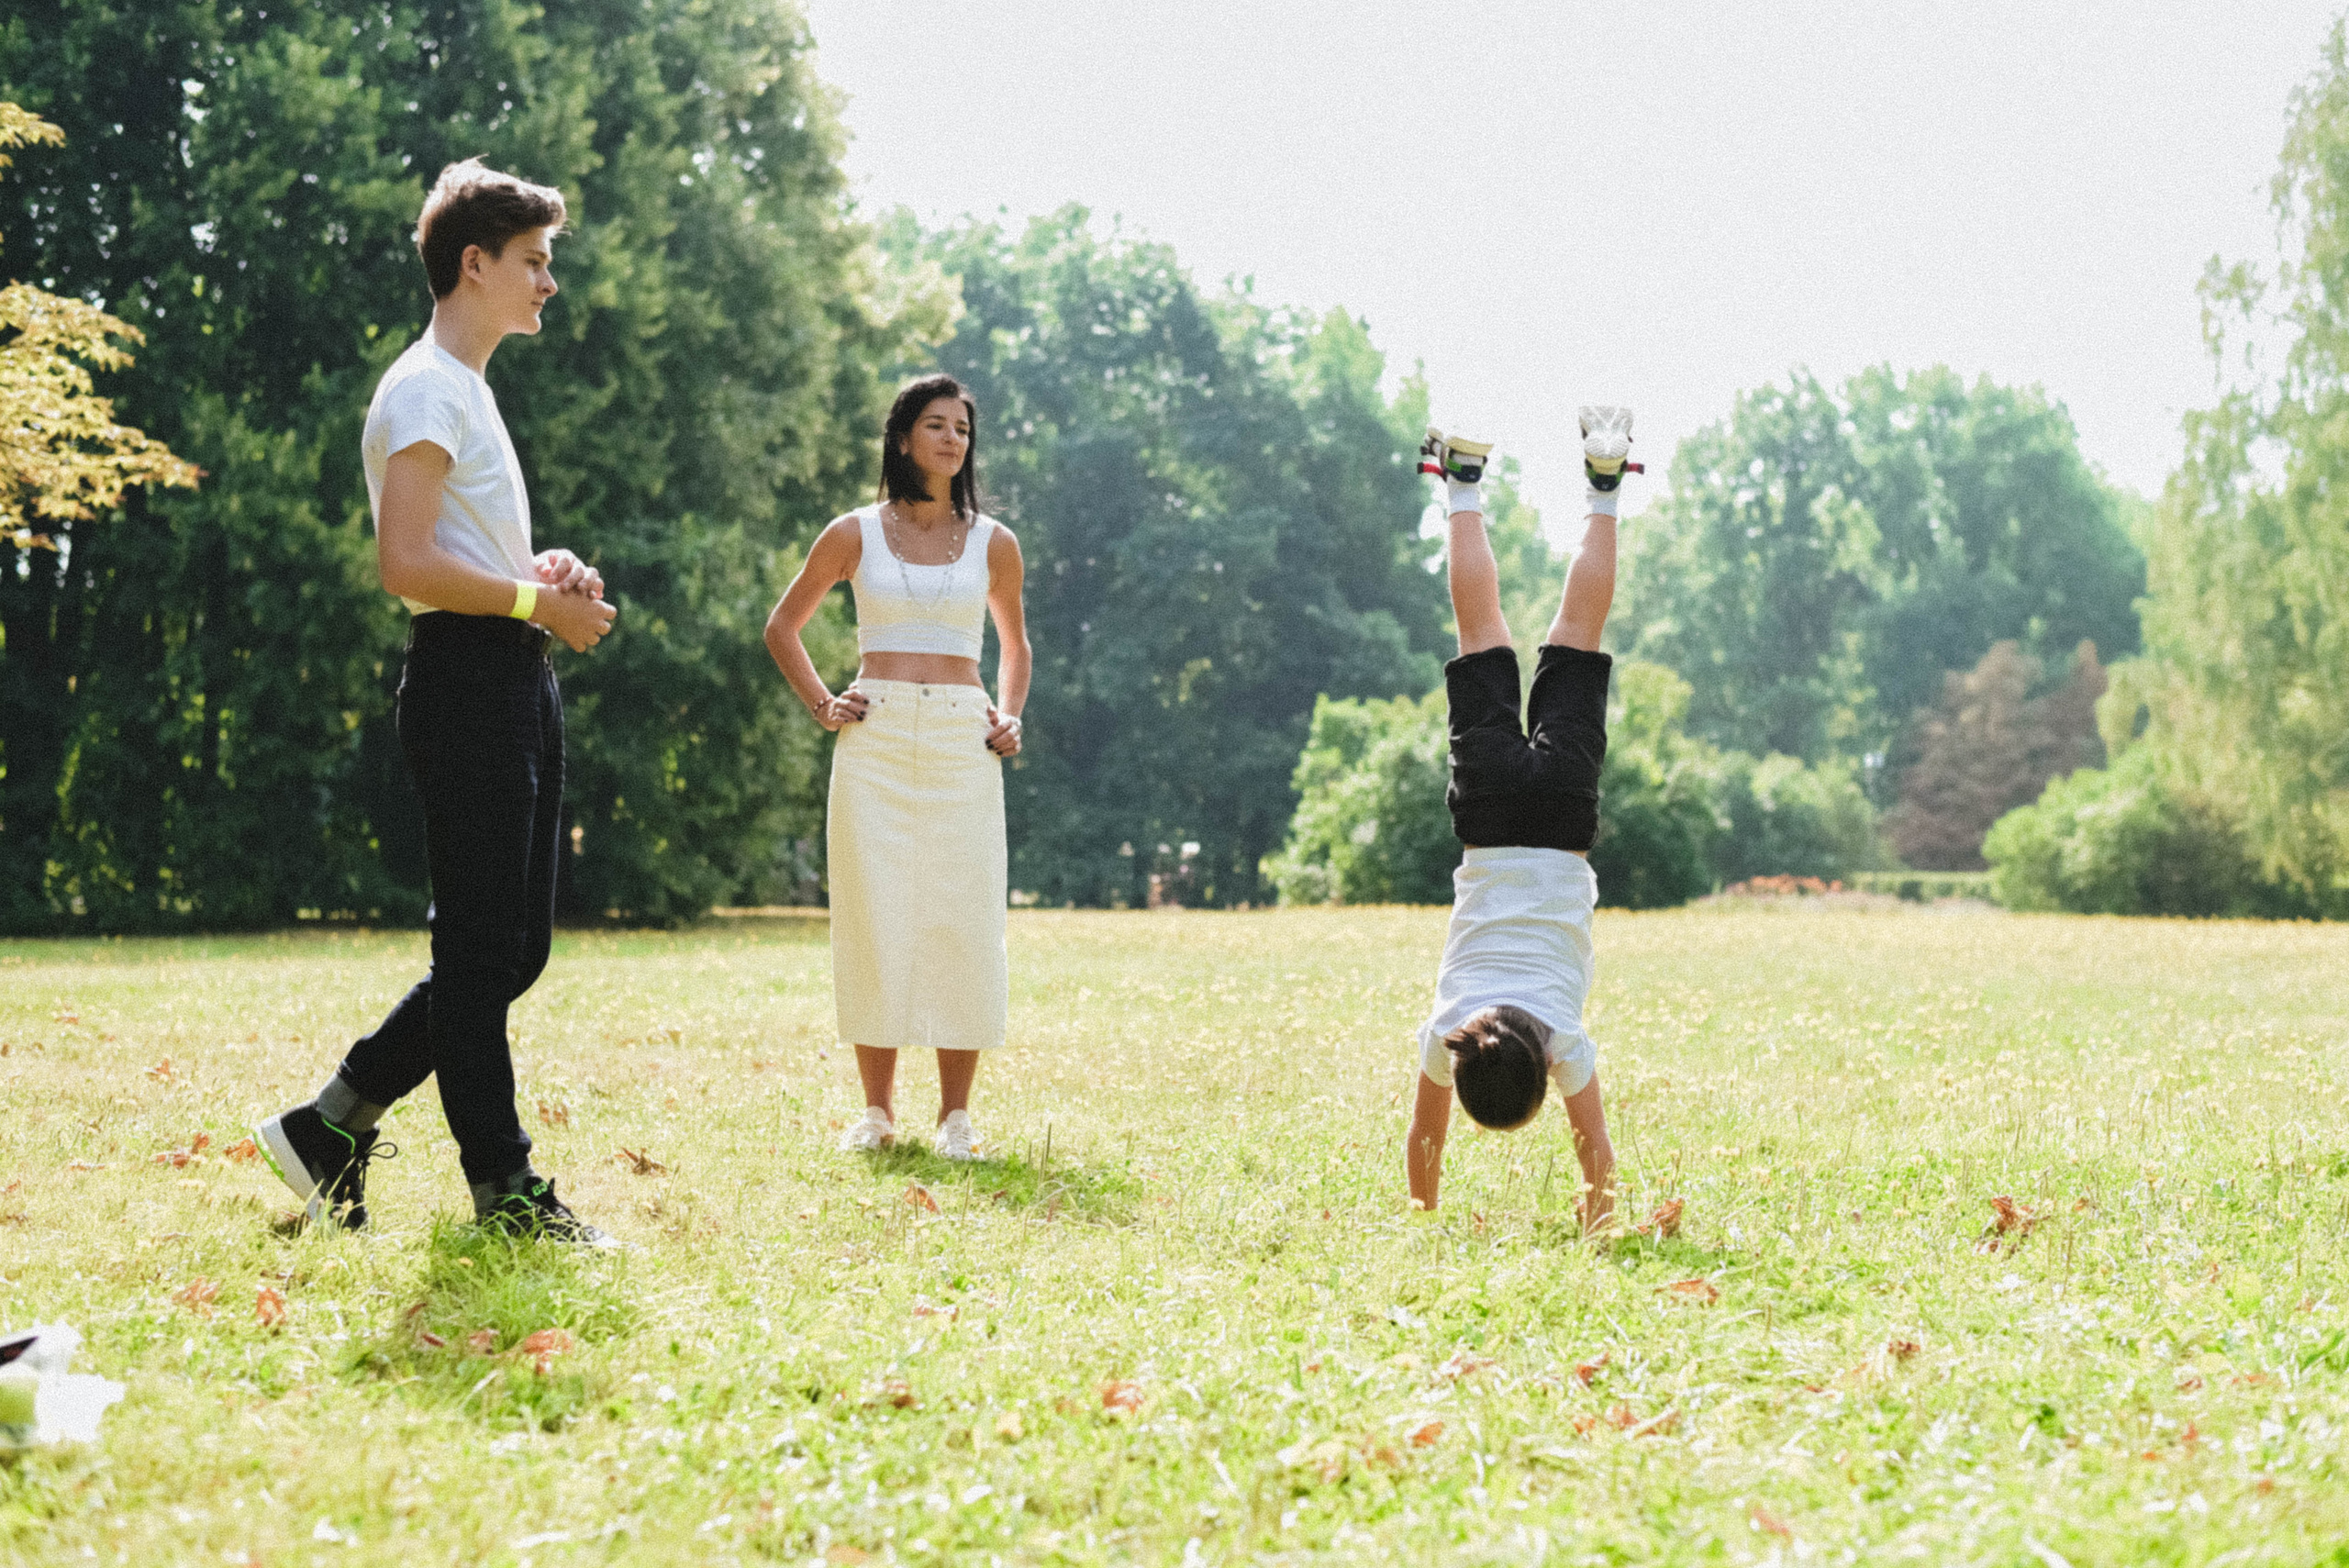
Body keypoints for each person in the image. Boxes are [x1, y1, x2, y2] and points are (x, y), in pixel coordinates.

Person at [253, 160, 619, 1244]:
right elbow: (404, 560)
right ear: (476, 262)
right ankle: (503, 1191)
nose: (549, 282)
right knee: (479, 953)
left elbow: (454, 544)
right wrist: (531, 605)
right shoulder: (421, 386)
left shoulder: (468, 389)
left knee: (511, 952)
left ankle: (332, 1124)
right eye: (534, 262)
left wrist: (534, 573)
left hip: (508, 670)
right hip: (466, 680)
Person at [764, 374, 1031, 1160]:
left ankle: (956, 1117)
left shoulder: (995, 542)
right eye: (937, 424)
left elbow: (1015, 647)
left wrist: (1009, 714)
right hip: (874, 740)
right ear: (904, 436)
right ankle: (877, 1113)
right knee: (874, 911)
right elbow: (783, 626)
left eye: (963, 428)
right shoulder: (852, 533)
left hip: (961, 740)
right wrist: (823, 704)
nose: (953, 439)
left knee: (963, 914)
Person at [1402, 406, 1641, 1231]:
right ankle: (1463, 484)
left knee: (1579, 631)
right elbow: (1422, 1140)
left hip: (1565, 816)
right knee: (1482, 632)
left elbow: (1595, 1151)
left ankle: (1603, 489)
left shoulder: (1566, 1040)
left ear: (1541, 1063)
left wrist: (1600, 1225)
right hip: (1492, 814)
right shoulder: (1446, 1030)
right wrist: (1422, 1214)